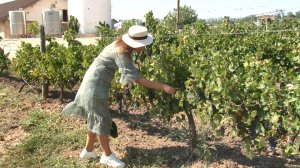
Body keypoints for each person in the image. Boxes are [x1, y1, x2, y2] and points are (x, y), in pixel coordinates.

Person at [62, 25, 176, 168]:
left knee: (95, 117)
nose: (145, 47)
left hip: (92, 83)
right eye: (143, 44)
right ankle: (107, 156)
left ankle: (88, 150)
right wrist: (163, 87)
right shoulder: (121, 52)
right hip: (94, 88)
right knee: (102, 120)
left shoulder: (119, 45)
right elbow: (138, 80)